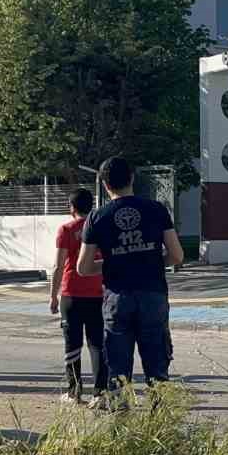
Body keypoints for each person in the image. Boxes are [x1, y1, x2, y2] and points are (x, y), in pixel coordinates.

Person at [78, 157, 184, 393]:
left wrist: (114, 261)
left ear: (105, 185)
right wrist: (151, 262)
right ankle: (161, 423)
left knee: (118, 371)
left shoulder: (97, 217)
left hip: (117, 298)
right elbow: (177, 256)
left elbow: (83, 268)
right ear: (133, 178)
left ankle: (121, 422)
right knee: (157, 369)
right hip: (152, 295)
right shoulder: (157, 210)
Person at [50, 188, 106, 403]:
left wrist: (53, 296)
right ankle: (100, 393)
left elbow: (58, 265)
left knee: (72, 343)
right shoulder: (100, 227)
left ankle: (74, 392)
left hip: (71, 293)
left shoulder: (66, 229)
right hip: (98, 293)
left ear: (71, 207)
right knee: (97, 343)